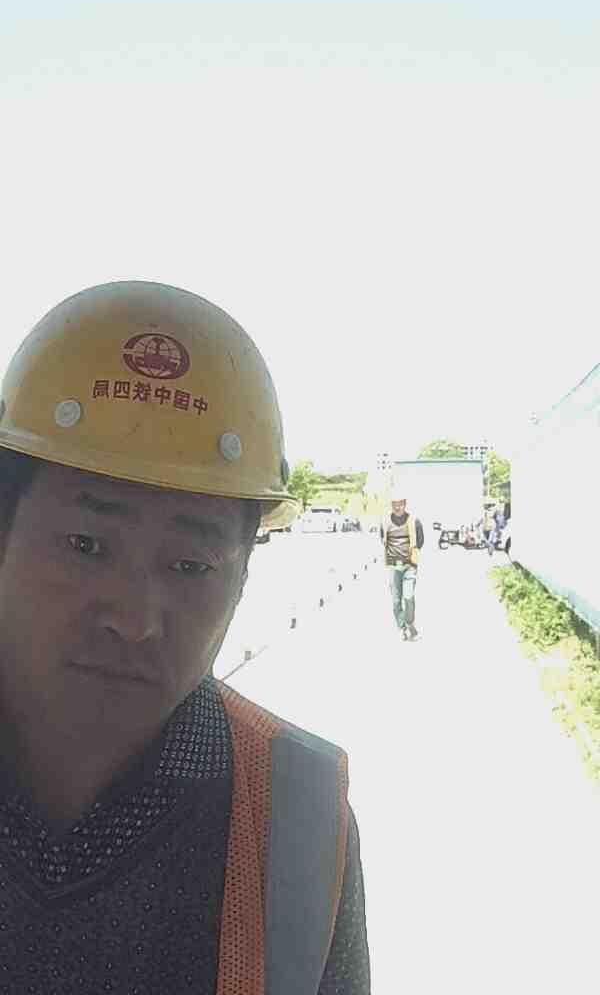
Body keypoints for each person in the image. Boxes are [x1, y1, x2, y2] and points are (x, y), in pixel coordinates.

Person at [0, 281, 370, 993]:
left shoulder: (296, 820)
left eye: (191, 565)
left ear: (243, 577)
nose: (135, 620)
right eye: (86, 545)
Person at [380, 493, 424, 641]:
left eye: (400, 504)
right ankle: (402, 627)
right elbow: (382, 539)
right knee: (396, 601)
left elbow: (420, 541)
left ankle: (410, 624)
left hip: (409, 566)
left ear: (405, 504)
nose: (397, 507)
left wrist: (409, 556)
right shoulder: (385, 521)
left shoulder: (414, 521)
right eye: (394, 504)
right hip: (393, 567)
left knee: (408, 596)